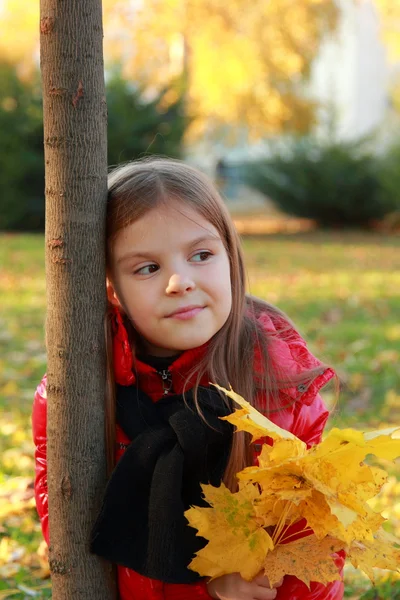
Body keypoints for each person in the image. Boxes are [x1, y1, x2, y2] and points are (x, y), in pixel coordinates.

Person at [32, 157, 345, 600]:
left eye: (201, 255)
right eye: (147, 268)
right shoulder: (75, 392)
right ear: (109, 288)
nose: (180, 281)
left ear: (230, 258)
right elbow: (67, 530)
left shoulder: (278, 388)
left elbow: (312, 551)